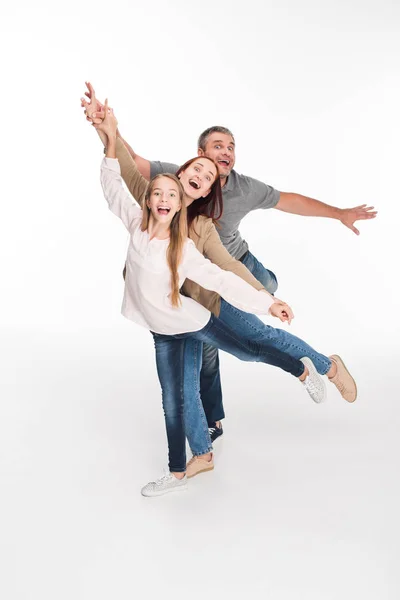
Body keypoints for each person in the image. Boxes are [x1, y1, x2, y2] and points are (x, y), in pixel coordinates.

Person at [91, 99, 357, 497]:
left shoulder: (204, 224)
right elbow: (122, 170)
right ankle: (205, 446)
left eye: (229, 149)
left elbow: (224, 271)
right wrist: (105, 127)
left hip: (212, 297)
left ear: (215, 185)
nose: (221, 156)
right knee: (193, 379)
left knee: (253, 344)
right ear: (188, 163)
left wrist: (266, 297)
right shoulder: (155, 197)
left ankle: (321, 366)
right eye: (211, 152)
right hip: (173, 312)